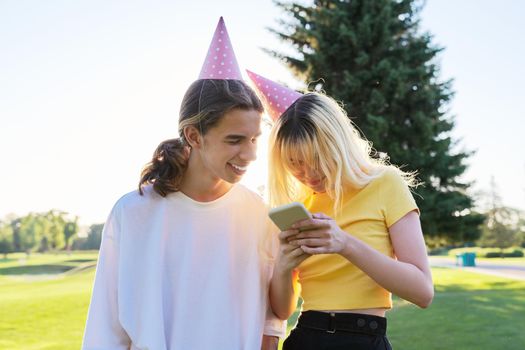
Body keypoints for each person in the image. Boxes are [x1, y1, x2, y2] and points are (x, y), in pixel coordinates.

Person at [82, 19, 284, 350]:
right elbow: (106, 327)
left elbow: (270, 323)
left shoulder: (257, 213)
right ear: (194, 136)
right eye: (234, 140)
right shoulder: (132, 212)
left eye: (254, 139)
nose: (249, 154)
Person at [247, 71, 434, 350]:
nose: (308, 174)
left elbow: (422, 292)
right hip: (305, 337)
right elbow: (284, 310)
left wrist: (344, 243)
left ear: (339, 146)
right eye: (295, 163)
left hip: (364, 339)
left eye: (317, 160)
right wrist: (284, 265)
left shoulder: (385, 183)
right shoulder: (298, 207)